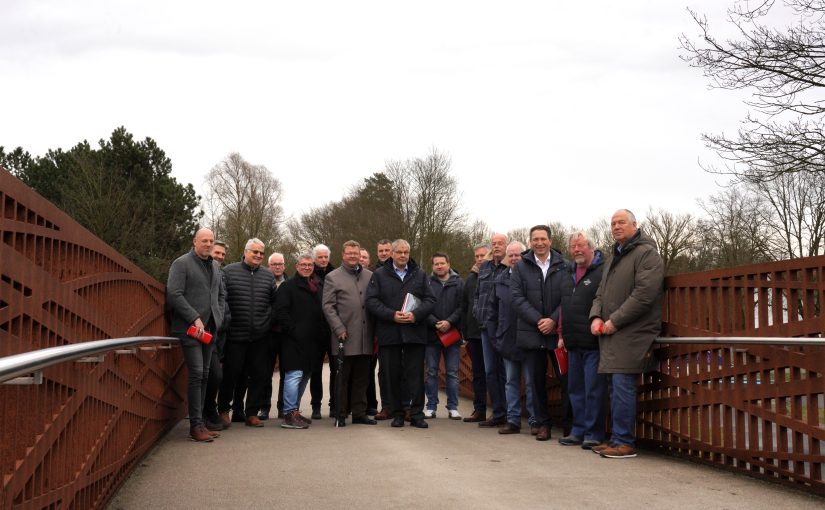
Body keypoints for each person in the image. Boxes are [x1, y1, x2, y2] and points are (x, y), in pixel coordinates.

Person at [590, 209, 664, 459]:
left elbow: (644, 295)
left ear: (635, 225)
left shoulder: (646, 254)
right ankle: (615, 438)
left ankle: (625, 442)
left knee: (622, 386)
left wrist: (615, 321)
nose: (616, 226)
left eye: (621, 222)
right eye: (613, 223)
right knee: (613, 387)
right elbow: (600, 292)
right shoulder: (613, 257)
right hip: (612, 331)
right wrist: (596, 316)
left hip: (632, 332)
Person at [366, 239, 436, 428]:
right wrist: (391, 315)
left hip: (415, 333)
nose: (403, 255)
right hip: (390, 333)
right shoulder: (379, 275)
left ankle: (417, 414)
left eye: (406, 252)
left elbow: (430, 300)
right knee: (392, 375)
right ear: (392, 254)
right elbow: (371, 301)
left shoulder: (419, 274)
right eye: (399, 252)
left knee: (416, 377)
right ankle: (397, 414)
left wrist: (415, 315)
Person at [166, 228, 226, 442]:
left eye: (211, 241)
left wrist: (217, 317)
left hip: (209, 330)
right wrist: (194, 317)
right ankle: (196, 426)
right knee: (197, 374)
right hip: (190, 330)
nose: (208, 244)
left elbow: (219, 294)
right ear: (195, 242)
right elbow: (174, 293)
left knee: (205, 375)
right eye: (204, 241)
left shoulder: (216, 265)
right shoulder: (181, 263)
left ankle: (201, 423)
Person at [511, 225, 566, 441]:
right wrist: (539, 320)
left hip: (558, 334)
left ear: (550, 241)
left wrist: (553, 319)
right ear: (530, 241)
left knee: (566, 380)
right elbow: (516, 297)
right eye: (535, 239)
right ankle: (543, 424)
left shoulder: (564, 266)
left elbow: (569, 297)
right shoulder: (521, 267)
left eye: (543, 238)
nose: (539, 243)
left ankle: (570, 425)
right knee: (536, 382)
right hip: (531, 333)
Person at [217, 238, 276, 428]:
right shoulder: (229, 272)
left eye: (261, 253)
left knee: (259, 375)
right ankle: (224, 410)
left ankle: (251, 413)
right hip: (235, 335)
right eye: (255, 252)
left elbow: (273, 303)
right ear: (245, 252)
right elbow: (222, 300)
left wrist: (267, 322)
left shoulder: (268, 277)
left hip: (260, 336)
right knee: (231, 375)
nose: (258, 255)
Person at [558, 232, 607, 449]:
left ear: (591, 248)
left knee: (593, 389)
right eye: (573, 246)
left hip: (593, 341)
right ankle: (577, 430)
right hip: (571, 340)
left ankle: (593, 433)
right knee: (575, 389)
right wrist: (561, 334)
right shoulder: (567, 273)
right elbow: (563, 307)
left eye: (580, 246)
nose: (576, 250)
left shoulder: (603, 271)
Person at [322, 240, 376, 426]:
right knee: (342, 379)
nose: (353, 256)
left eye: (356, 253)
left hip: (365, 336)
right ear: (343, 255)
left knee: (362, 378)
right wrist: (338, 328)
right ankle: (341, 413)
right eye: (349, 253)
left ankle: (360, 412)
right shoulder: (332, 277)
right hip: (344, 336)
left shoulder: (370, 276)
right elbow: (328, 306)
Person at [489, 241, 535, 435]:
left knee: (532, 382)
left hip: (529, 339)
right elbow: (492, 311)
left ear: (525, 255)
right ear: (507, 257)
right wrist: (497, 335)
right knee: (511, 381)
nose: (515, 258)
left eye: (519, 254)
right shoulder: (499, 280)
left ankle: (535, 420)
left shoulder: (532, 277)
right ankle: (513, 419)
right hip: (507, 339)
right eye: (512, 255)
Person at [276, 254, 326, 429]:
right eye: (303, 265)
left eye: (309, 265)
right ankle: (288, 413)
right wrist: (294, 331)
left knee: (305, 375)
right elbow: (281, 312)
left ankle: (294, 411)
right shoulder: (287, 286)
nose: (307, 267)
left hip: (312, 342)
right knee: (294, 375)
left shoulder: (316, 286)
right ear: (297, 266)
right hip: (293, 340)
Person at [474, 233, 509, 428]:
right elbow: (478, 294)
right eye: (494, 243)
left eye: (500, 243)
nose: (496, 246)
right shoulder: (485, 267)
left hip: (504, 327)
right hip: (485, 326)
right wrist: (477, 312)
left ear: (506, 245)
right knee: (490, 371)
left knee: (505, 371)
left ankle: (508, 413)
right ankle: (497, 413)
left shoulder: (511, 266)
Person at [424, 252, 464, 420]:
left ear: (448, 264)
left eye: (442, 263)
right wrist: (435, 323)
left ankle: (453, 407)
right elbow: (423, 306)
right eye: (436, 264)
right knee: (431, 372)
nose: (439, 266)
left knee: (453, 373)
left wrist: (449, 322)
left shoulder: (459, 283)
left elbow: (463, 307)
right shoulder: (426, 282)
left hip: (452, 334)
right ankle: (431, 406)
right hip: (431, 334)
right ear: (432, 266)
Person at [461, 243, 489, 422]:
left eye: (483, 256)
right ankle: (479, 409)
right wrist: (464, 331)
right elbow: (464, 306)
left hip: (492, 332)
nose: (479, 259)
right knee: (477, 373)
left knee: (495, 373)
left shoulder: (497, 274)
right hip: (473, 333)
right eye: (477, 256)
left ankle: (501, 411)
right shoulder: (470, 279)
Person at [203, 241, 230, 430]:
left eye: (223, 254)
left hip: (218, 331)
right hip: (202, 329)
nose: (220, 256)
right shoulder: (203, 270)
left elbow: (222, 298)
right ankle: (204, 414)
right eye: (217, 252)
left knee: (215, 375)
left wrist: (220, 320)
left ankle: (209, 412)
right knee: (210, 374)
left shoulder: (220, 273)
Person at [259, 252, 288, 420]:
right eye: (274, 264)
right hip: (267, 333)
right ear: (268, 266)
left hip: (284, 334)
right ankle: (264, 407)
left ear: (284, 266)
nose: (277, 266)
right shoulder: (263, 282)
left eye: (280, 263)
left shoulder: (289, 283)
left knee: (286, 372)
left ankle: (283, 407)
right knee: (265, 372)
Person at [310, 243, 336, 420]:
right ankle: (316, 405)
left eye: (326, 256)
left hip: (333, 329)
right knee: (315, 370)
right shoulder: (309, 275)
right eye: (320, 257)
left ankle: (335, 404)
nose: (323, 260)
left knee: (336, 370)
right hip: (315, 330)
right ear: (314, 258)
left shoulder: (336, 274)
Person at [373, 238, 394, 420]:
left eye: (387, 250)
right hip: (381, 328)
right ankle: (386, 406)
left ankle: (404, 405)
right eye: (381, 251)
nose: (384, 253)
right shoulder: (374, 273)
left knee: (402, 370)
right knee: (384, 370)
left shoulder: (407, 270)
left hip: (403, 327)